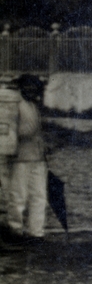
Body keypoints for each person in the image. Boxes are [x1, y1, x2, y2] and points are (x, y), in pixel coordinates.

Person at [2, 74, 48, 240]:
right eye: (28, 87)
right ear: (22, 87)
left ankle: (36, 232)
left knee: (39, 196)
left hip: (37, 158)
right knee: (18, 196)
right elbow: (13, 131)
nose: (32, 90)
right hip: (20, 157)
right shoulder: (16, 105)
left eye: (34, 87)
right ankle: (15, 229)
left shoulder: (33, 106)